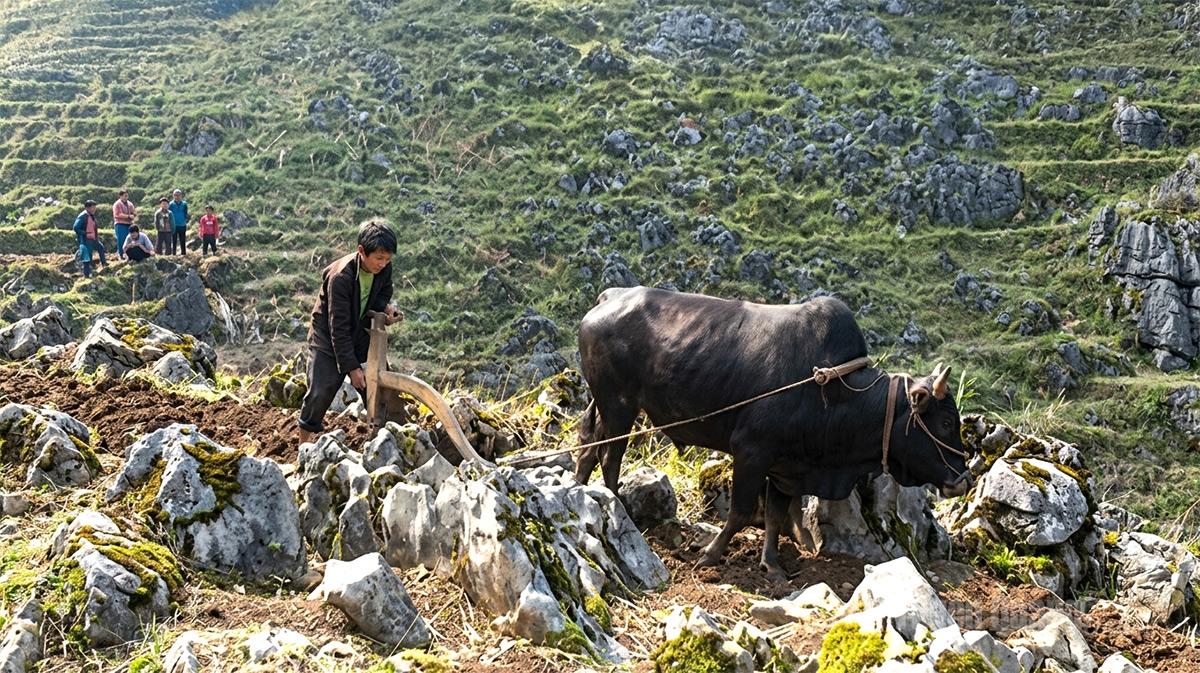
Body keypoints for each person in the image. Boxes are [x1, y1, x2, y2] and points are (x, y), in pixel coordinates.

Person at [298, 220, 404, 444]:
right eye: (379, 258)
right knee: (320, 392)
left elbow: (382, 295)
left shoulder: (384, 269)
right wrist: (352, 367)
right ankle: (303, 447)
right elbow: (338, 328)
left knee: (380, 387)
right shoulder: (341, 278)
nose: (383, 264)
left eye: (387, 259)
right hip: (328, 337)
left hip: (358, 332)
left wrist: (385, 311)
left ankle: (384, 440)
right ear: (361, 251)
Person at [72, 199, 106, 276]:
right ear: (87, 208)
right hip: (85, 240)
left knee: (101, 248)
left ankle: (104, 264)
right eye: (92, 207)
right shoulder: (82, 216)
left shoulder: (91, 215)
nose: (94, 209)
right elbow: (76, 228)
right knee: (87, 258)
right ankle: (87, 275)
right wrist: (85, 234)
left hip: (93, 239)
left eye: (94, 207)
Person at [112, 189, 136, 260]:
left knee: (130, 239)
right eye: (125, 196)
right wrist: (128, 216)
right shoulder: (117, 204)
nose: (126, 197)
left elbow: (133, 212)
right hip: (120, 224)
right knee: (121, 240)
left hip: (129, 224)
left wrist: (134, 214)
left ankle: (129, 254)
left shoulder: (130, 204)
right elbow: (117, 214)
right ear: (120, 196)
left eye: (127, 196)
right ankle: (121, 254)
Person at [168, 189, 189, 255]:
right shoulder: (171, 204)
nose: (177, 196)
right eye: (175, 195)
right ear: (173, 195)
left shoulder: (184, 204)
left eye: (178, 195)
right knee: (174, 240)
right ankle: (174, 253)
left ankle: (183, 253)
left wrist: (184, 220)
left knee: (182, 240)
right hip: (174, 225)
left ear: (181, 195)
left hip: (182, 225)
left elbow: (186, 213)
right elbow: (169, 214)